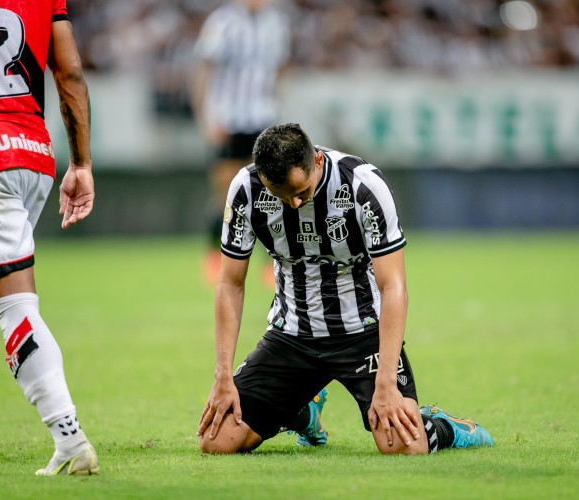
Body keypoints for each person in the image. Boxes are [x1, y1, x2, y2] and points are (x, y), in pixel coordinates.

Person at [197, 123, 494, 455]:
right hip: (291, 336)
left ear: (318, 162)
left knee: (403, 446)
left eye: (301, 192)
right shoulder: (245, 189)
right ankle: (301, 410)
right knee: (216, 441)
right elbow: (229, 283)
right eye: (281, 195)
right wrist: (223, 376)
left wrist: (385, 383)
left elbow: (393, 286)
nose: (293, 204)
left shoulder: (362, 185)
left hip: (362, 334)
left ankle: (445, 427)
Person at [0, 0, 98, 476]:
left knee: (14, 307)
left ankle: (70, 437)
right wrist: (81, 163)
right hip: (33, 155)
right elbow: (70, 72)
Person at [190, 0, 290, 284]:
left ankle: (271, 262)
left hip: (263, 118)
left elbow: (281, 69)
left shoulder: (277, 24)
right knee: (226, 192)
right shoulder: (222, 22)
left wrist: (277, 106)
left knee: (271, 192)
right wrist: (206, 116)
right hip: (229, 119)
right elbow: (202, 70)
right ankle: (214, 255)